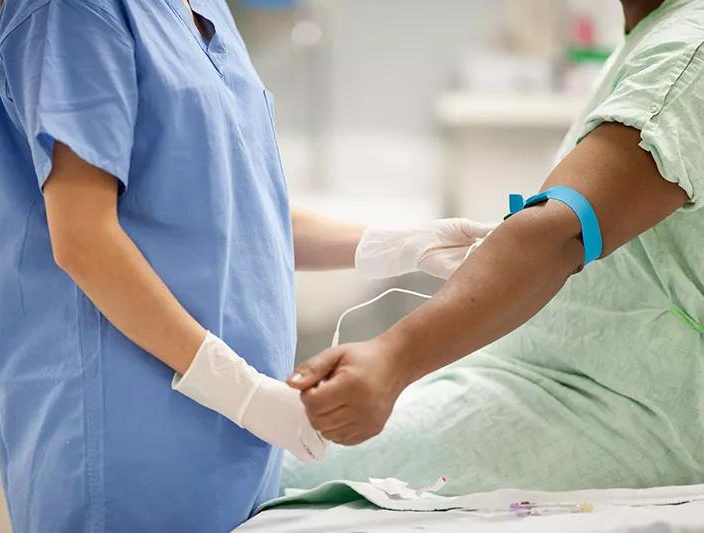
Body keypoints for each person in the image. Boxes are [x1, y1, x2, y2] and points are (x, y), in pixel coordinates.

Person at [0, 0, 493, 531]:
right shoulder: (74, 12)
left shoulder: (201, 8)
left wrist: (397, 244)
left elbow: (235, 210)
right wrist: (242, 393)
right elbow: (85, 238)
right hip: (130, 440)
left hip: (226, 445)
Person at [287, 0, 704, 494]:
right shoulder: (652, 33)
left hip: (622, 412)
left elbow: (560, 231)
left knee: (280, 471)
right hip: (545, 377)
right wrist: (389, 245)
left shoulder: (687, 55)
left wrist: (393, 358)